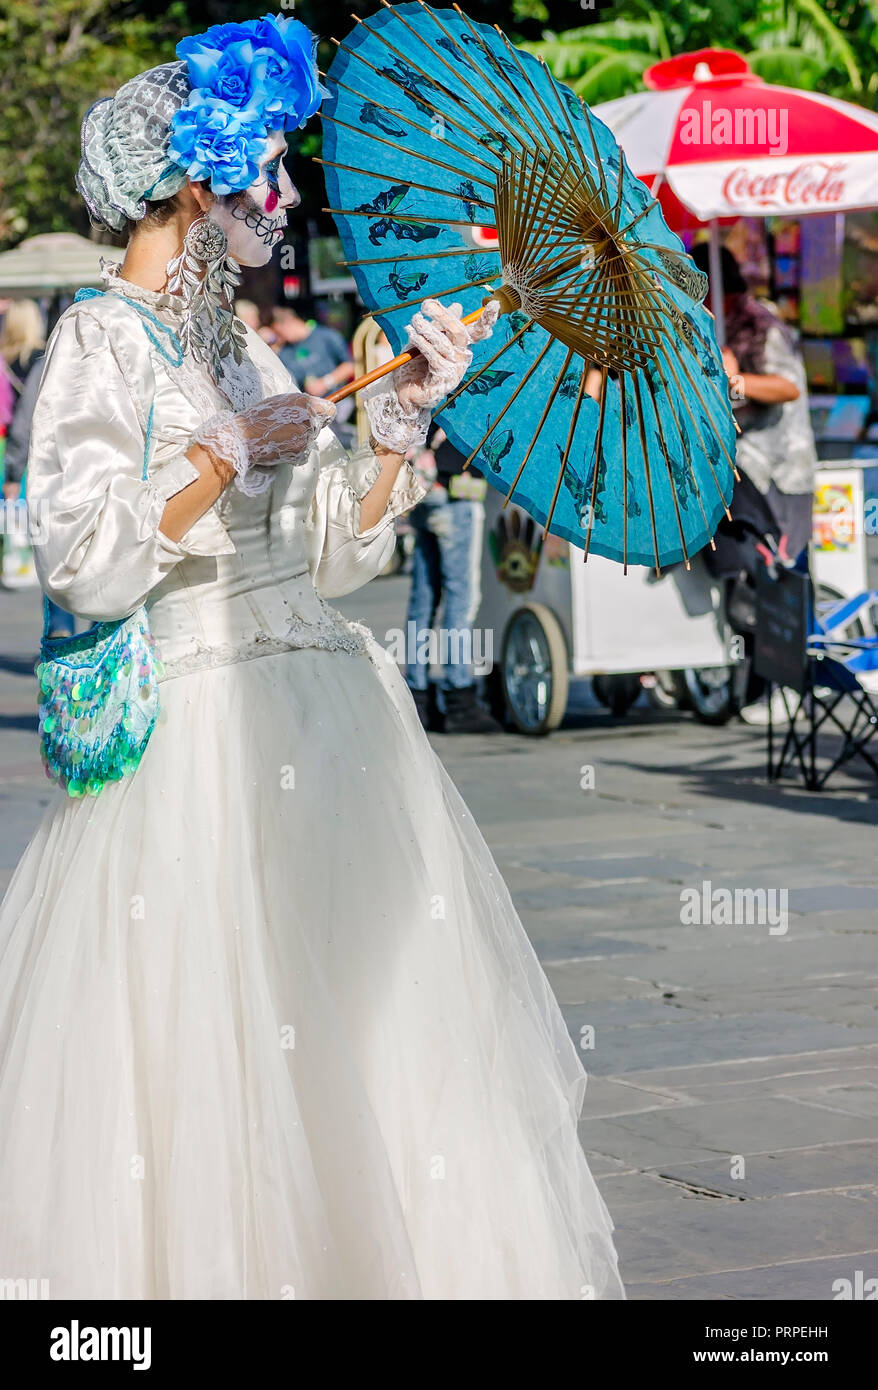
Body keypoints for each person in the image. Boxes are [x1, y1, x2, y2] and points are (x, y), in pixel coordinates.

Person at [0, 15, 622, 1300]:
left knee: (363, 1024)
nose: (281, 203)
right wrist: (224, 450)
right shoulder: (96, 344)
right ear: (191, 182)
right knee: (208, 1053)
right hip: (193, 745)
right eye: (261, 174)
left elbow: (336, 555)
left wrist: (398, 420)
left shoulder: (249, 345)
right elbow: (85, 560)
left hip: (325, 718)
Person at [692, 243, 817, 562]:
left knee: (781, 575)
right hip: (743, 471)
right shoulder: (714, 324)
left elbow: (788, 388)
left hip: (779, 472)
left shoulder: (762, 325)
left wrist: (734, 380)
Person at [406, 426, 501, 732]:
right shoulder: (469, 380)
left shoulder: (420, 378)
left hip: (424, 488)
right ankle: (459, 698)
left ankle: (417, 698)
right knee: (461, 600)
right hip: (456, 489)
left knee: (423, 601)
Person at [273, 301, 357, 446]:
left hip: (339, 401)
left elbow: (350, 365)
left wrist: (326, 382)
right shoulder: (285, 351)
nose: (282, 338)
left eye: (280, 333)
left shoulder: (326, 336)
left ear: (290, 322)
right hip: (310, 411)